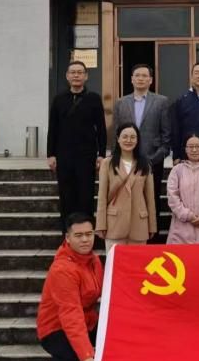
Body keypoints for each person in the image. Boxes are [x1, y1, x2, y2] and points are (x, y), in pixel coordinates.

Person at [36, 213, 110, 361]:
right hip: (55, 328)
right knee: (75, 358)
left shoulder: (94, 260)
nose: (85, 239)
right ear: (67, 238)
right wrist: (86, 354)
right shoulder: (62, 270)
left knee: (111, 337)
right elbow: (71, 314)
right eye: (78, 235)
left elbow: (106, 291)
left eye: (89, 234)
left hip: (87, 321)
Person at [47, 60, 107, 234]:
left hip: (87, 155)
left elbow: (101, 129)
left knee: (86, 195)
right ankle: (67, 233)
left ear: (86, 76)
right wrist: (51, 154)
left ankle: (87, 232)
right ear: (67, 76)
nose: (76, 75)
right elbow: (53, 128)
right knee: (66, 195)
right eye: (73, 72)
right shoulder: (59, 99)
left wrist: (101, 154)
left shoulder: (93, 99)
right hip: (64, 155)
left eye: (80, 72)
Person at [113, 63, 170, 240]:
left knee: (152, 198)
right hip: (126, 161)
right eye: (137, 75)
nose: (141, 79)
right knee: (126, 198)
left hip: (152, 160)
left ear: (151, 80)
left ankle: (152, 236)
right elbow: (117, 133)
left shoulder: (161, 102)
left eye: (145, 76)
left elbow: (166, 135)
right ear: (131, 79)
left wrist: (155, 158)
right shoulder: (121, 103)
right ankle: (130, 234)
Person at [95, 122, 157, 251]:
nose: (129, 140)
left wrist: (152, 225)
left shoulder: (145, 164)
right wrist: (101, 224)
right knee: (115, 262)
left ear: (137, 140)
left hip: (139, 224)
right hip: (114, 224)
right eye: (125, 137)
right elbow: (102, 197)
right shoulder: (107, 164)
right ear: (118, 139)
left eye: (133, 137)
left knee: (137, 263)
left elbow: (150, 199)